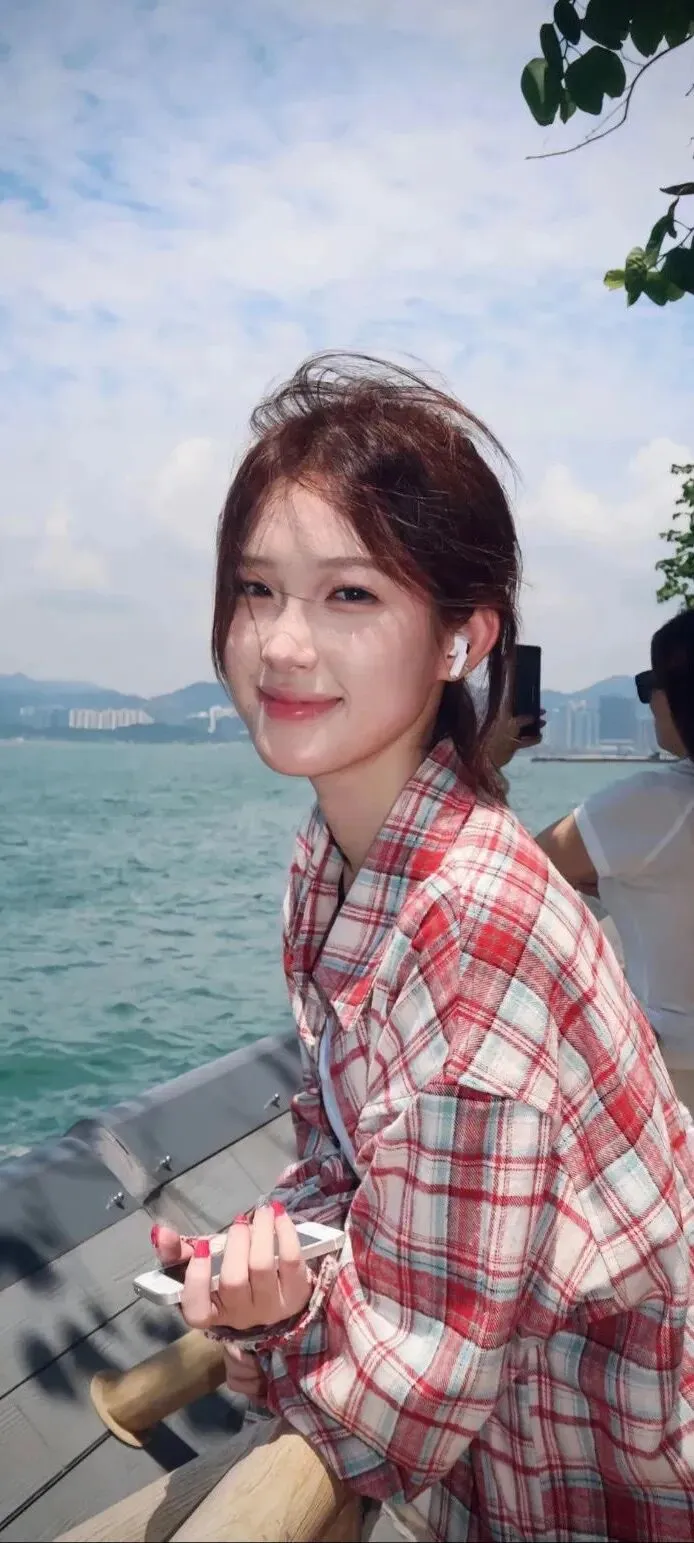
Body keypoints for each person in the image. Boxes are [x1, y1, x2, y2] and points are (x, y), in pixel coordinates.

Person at [153, 355, 694, 1541]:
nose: (280, 644)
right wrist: (266, 1253)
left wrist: (269, 1328)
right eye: (255, 588)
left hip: (599, 1487)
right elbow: (343, 1137)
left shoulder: (476, 930)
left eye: (348, 594)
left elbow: (406, 1396)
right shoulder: (336, 854)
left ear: (460, 638)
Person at [535, 611, 694, 1099]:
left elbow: (518, 869)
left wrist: (486, 755)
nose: (649, 702)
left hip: (670, 1078)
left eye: (649, 684)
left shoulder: (654, 801)